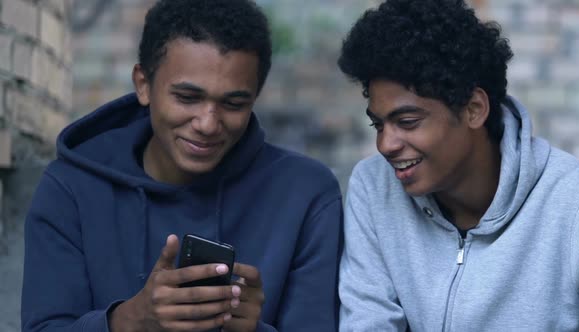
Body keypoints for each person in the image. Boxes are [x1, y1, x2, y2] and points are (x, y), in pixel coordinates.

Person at [21, 0, 342, 331]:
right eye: (188, 98)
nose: (207, 123)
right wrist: (128, 321)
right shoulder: (71, 188)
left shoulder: (305, 195)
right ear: (143, 85)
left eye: (233, 103)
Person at [337, 0, 579, 330]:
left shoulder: (577, 202)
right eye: (378, 125)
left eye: (408, 121)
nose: (386, 145)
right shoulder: (373, 187)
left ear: (474, 108)